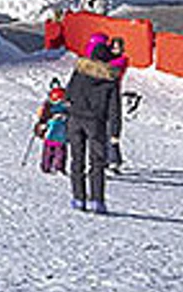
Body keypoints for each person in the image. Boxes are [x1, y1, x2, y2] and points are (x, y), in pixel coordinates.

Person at [62, 35, 127, 214]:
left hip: (75, 120)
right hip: (96, 123)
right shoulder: (111, 78)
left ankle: (78, 199)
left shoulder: (79, 71)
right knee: (97, 163)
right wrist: (115, 132)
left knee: (77, 160)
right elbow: (114, 108)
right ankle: (97, 201)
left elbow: (68, 95)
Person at [32, 81, 70, 175]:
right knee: (48, 152)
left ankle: (58, 167)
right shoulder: (48, 107)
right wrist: (40, 127)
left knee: (60, 153)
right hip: (50, 134)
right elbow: (42, 119)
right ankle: (46, 166)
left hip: (61, 136)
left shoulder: (66, 109)